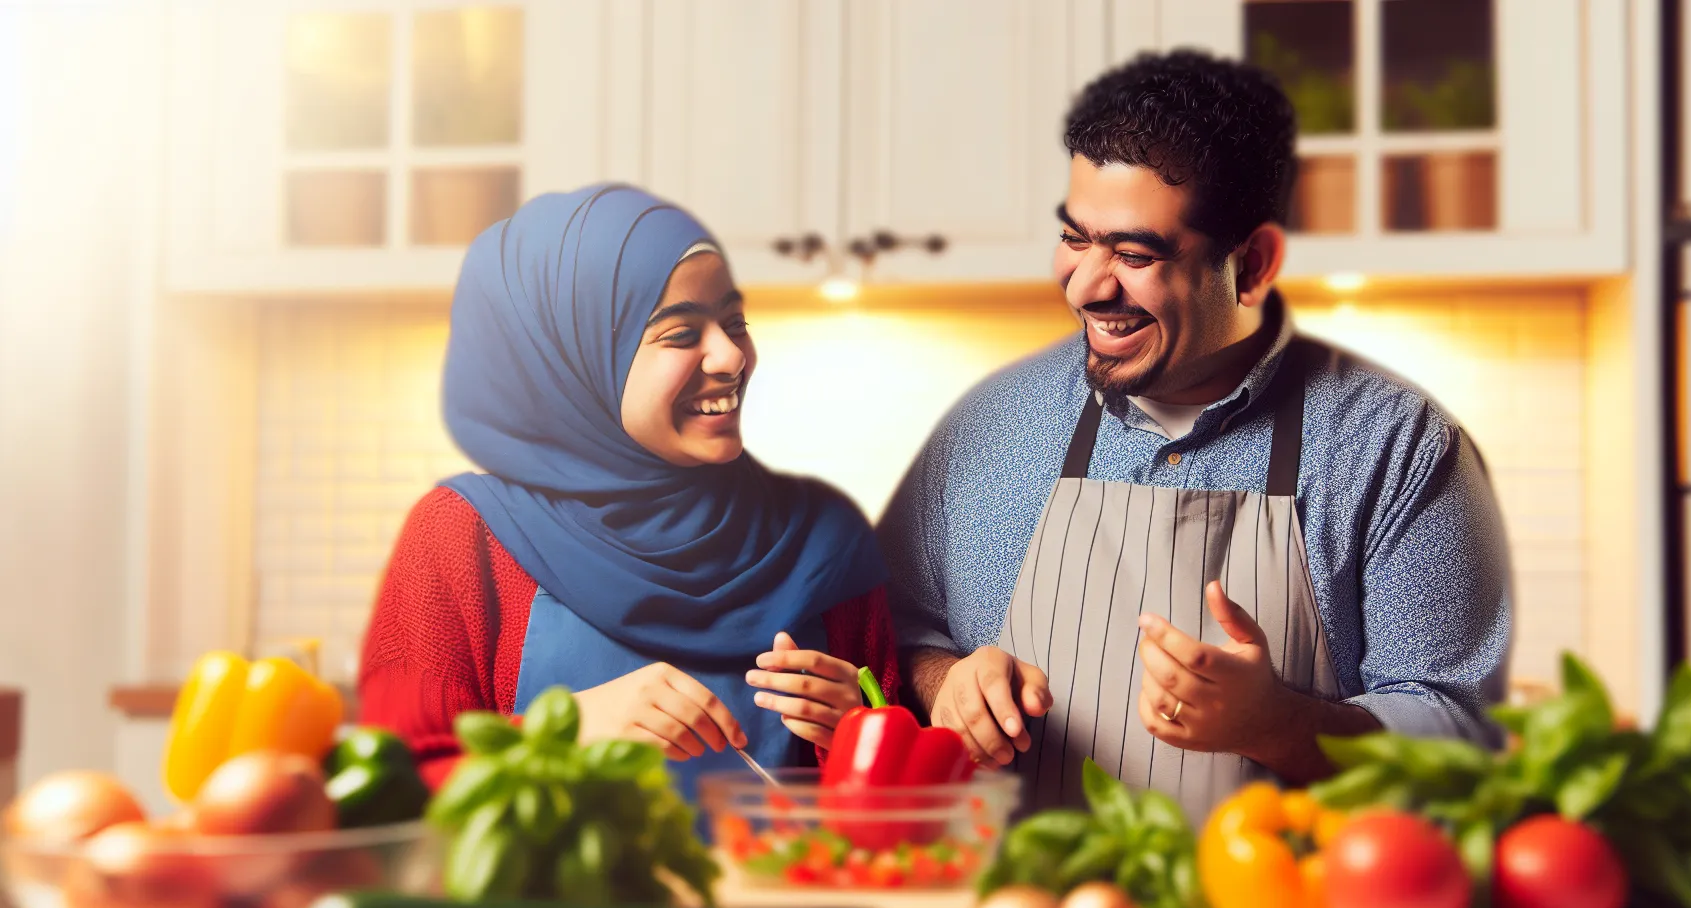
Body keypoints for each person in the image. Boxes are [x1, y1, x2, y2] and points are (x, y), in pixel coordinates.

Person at [878, 50, 1512, 826]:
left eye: (1136, 255)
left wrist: (1278, 725)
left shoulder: (1397, 449)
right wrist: (944, 683)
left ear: (1251, 265)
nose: (1085, 288)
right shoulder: (991, 426)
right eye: (1077, 239)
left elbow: (1461, 733)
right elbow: (885, 629)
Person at [357, 185, 899, 792]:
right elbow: (391, 792)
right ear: (579, 360)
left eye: (733, 321)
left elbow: (906, 810)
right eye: (679, 333)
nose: (730, 356)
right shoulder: (460, 536)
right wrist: (560, 731)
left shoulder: (825, 537)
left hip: (775, 887)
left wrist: (861, 732)